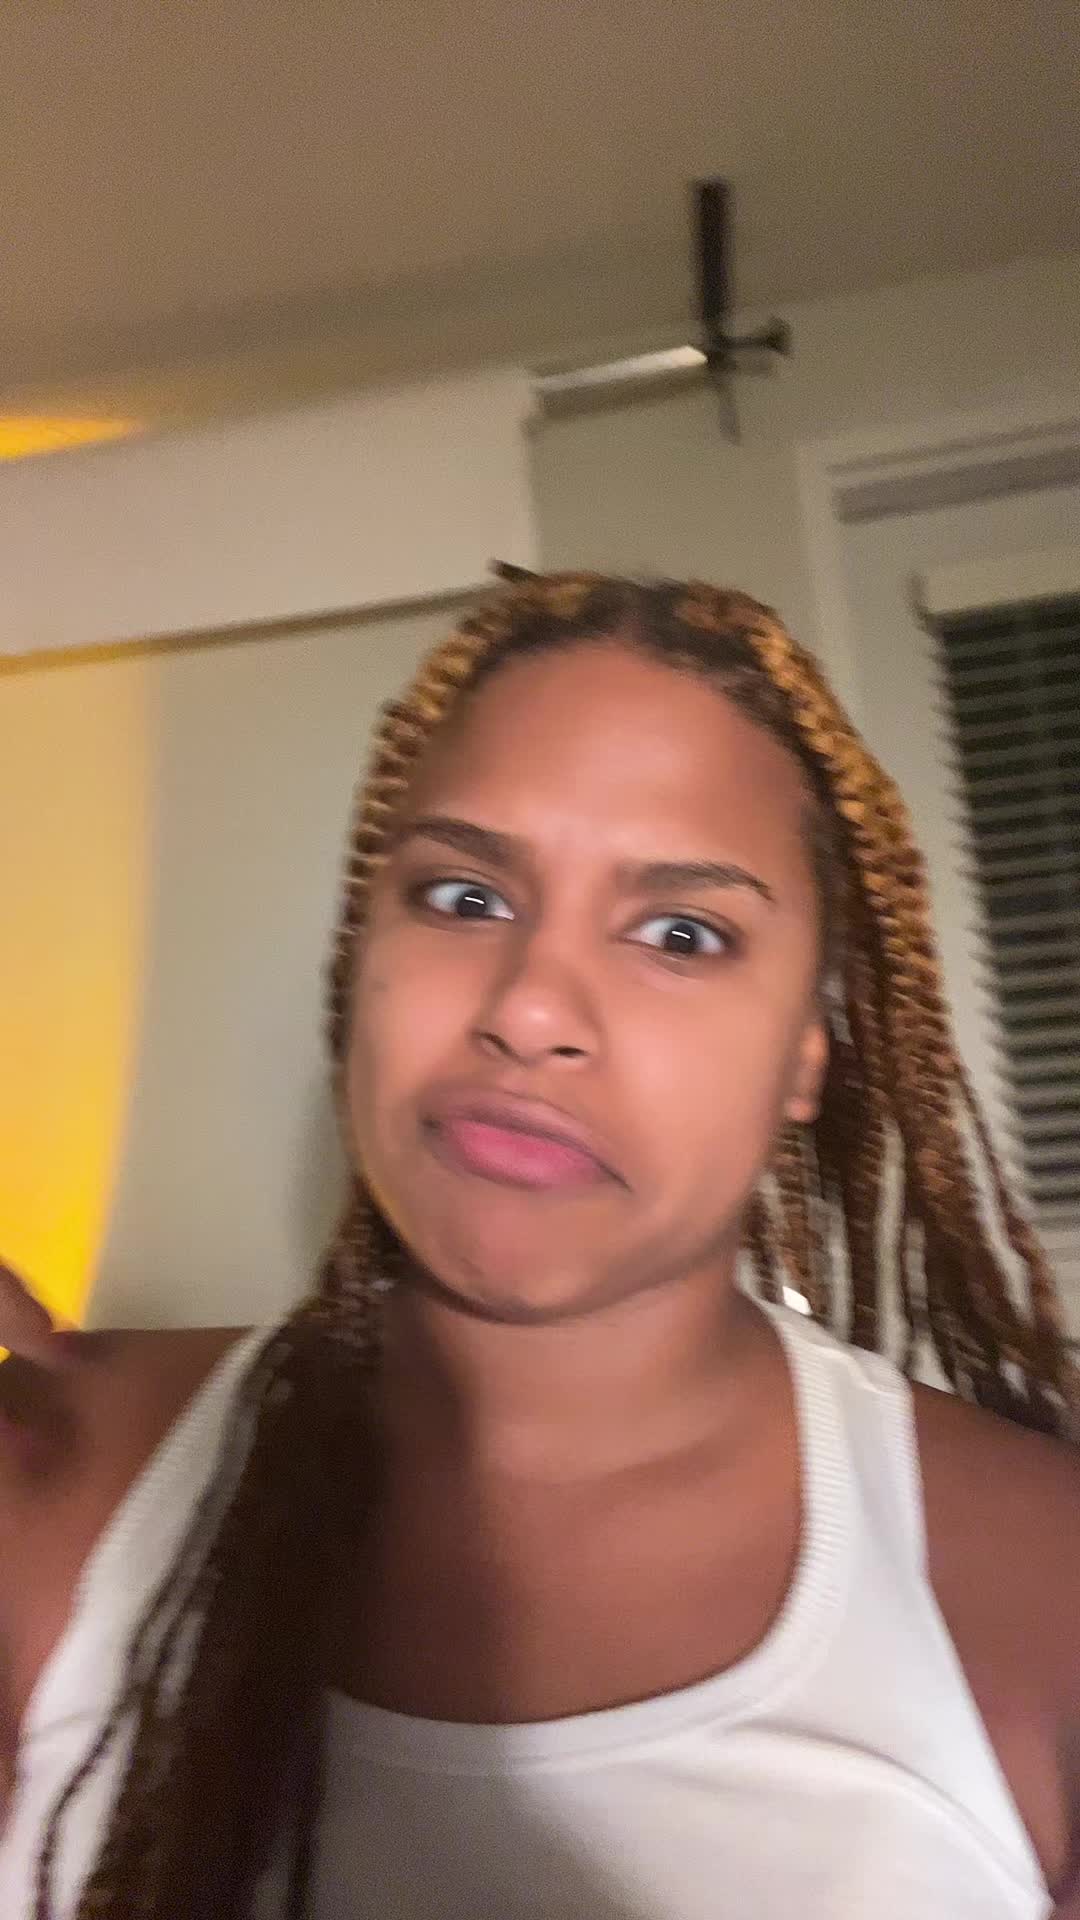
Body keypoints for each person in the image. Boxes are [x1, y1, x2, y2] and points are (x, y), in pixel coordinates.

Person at [0, 572, 1077, 1920]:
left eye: (682, 933)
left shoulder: (1039, 1585)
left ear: (811, 1052)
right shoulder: (57, 1475)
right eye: (463, 898)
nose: (530, 1009)